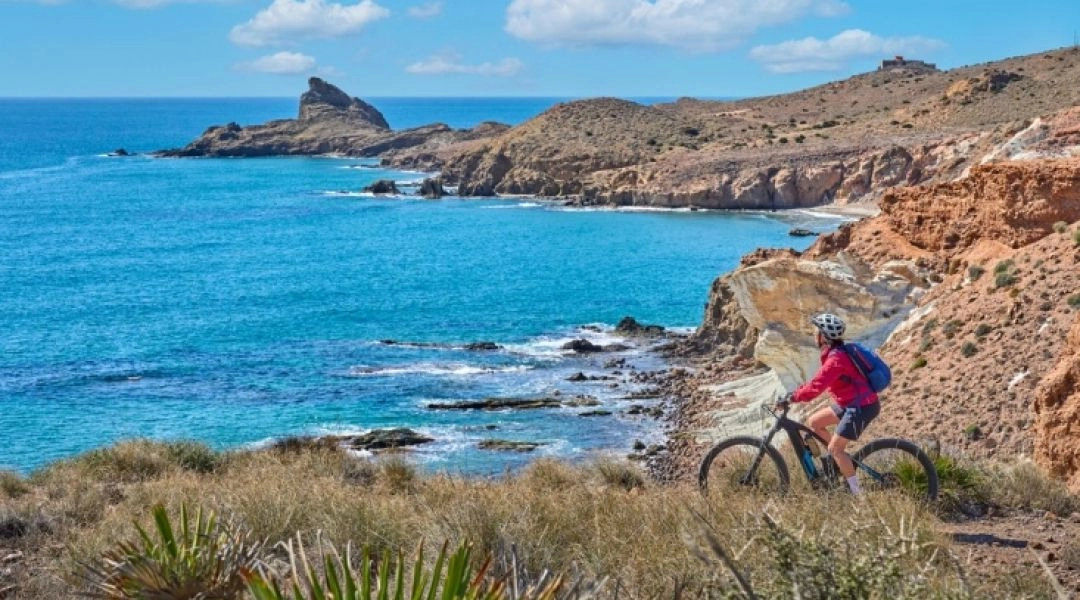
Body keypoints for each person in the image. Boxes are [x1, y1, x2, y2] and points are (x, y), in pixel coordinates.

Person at [782, 313, 880, 495]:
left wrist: (793, 398)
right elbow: (816, 382)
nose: (814, 334)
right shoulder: (836, 354)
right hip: (851, 402)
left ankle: (857, 495)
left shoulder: (836, 360)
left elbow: (816, 387)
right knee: (814, 423)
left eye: (817, 331)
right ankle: (840, 461)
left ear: (824, 337)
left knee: (835, 449)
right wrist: (795, 393)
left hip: (861, 407)